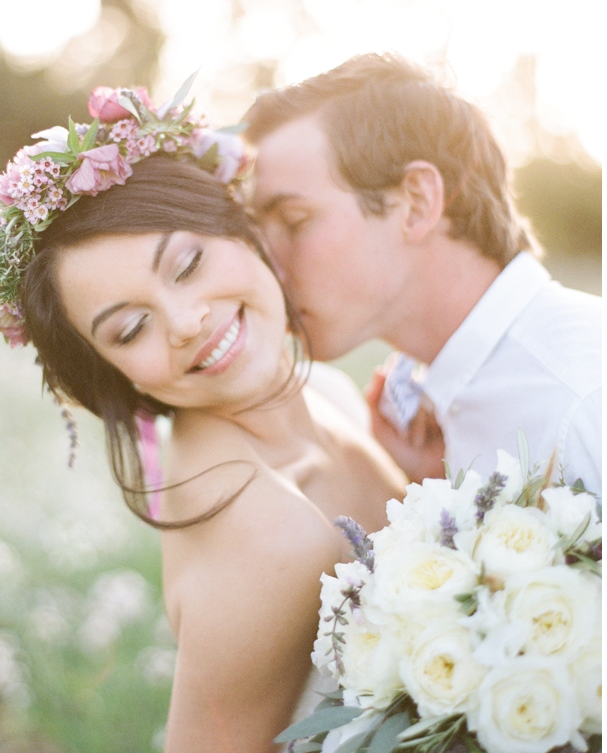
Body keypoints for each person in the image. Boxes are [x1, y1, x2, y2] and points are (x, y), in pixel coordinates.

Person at [0, 85, 453, 753]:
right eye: (127, 329)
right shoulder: (261, 530)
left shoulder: (329, 395)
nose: (184, 322)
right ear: (110, 375)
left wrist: (425, 481)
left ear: (239, 227)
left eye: (186, 265)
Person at [246, 53, 601, 498]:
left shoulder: (582, 401)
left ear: (416, 201)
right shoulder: (426, 423)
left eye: (294, 222)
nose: (266, 267)